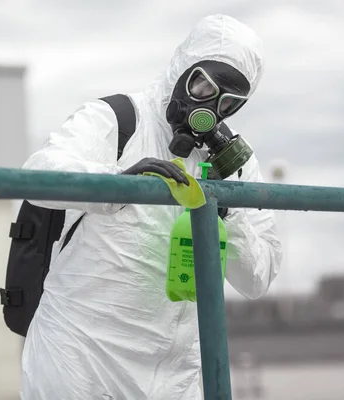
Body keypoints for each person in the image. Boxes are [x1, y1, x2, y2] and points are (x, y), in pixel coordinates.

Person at [19, 14, 282, 400]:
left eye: (228, 102)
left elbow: (258, 278)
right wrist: (118, 182)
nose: (209, 107)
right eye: (203, 85)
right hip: (78, 364)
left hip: (173, 379)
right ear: (182, 67)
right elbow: (36, 177)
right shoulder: (119, 119)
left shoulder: (235, 163)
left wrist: (229, 209)